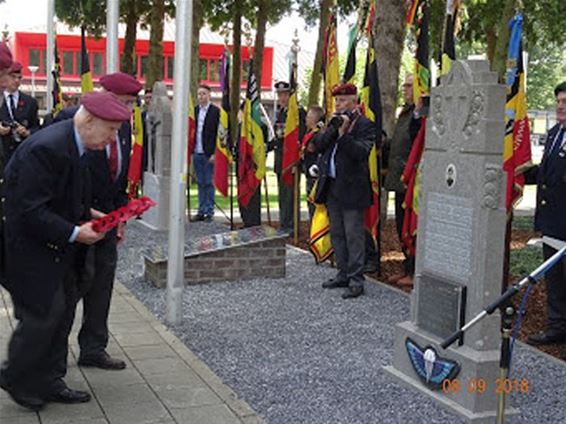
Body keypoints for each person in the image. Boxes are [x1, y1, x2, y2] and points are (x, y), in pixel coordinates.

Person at [0, 92, 130, 411]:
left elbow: (65, 193)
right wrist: (74, 232)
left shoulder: (78, 143)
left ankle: (50, 380)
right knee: (44, 314)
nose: (114, 137)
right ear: (87, 121)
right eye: (110, 130)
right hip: (27, 246)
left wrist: (91, 214)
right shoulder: (47, 148)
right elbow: (29, 208)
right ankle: (15, 376)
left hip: (55, 246)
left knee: (62, 310)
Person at [76, 72, 142, 370]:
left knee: (102, 284)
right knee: (71, 288)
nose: (129, 110)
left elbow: (119, 175)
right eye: (125, 102)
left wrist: (122, 217)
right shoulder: (76, 121)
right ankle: (50, 356)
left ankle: (93, 347)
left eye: (132, 103)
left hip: (109, 220)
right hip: (77, 219)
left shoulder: (125, 127)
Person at [315, 83, 374, 299]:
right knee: (337, 234)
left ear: (353, 101)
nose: (337, 104)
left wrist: (343, 135)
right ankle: (342, 273)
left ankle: (357, 279)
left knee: (353, 236)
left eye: (341, 101)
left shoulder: (365, 125)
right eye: (336, 101)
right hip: (332, 187)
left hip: (352, 190)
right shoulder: (333, 122)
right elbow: (318, 144)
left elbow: (361, 152)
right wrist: (333, 130)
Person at [525, 81, 566, 346]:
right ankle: (558, 326)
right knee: (555, 278)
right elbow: (545, 174)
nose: (560, 106)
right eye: (559, 101)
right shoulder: (554, 133)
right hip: (552, 220)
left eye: (565, 102)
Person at [383, 75, 419, 287]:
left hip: (412, 179)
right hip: (399, 178)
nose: (405, 89)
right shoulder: (405, 112)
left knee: (410, 226)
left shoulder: (419, 114)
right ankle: (407, 266)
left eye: (409, 86)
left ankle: (414, 270)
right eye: (404, 85)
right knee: (400, 225)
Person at [271, 81, 306, 235]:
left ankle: (291, 225)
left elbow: (300, 136)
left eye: (285, 94)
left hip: (291, 160)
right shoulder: (281, 112)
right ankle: (284, 223)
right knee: (282, 194)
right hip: (280, 159)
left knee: (290, 194)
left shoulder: (298, 112)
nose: (282, 98)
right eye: (279, 95)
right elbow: (278, 137)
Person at [0, 61, 40, 164]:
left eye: (19, 77)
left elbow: (37, 128)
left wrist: (27, 132)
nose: (17, 81)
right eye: (13, 77)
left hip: (21, 156)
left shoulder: (30, 102)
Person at [191, 84, 220, 222]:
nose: (201, 96)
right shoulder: (195, 111)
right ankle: (201, 210)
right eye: (199, 94)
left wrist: (215, 152)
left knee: (208, 182)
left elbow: (218, 134)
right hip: (197, 151)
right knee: (200, 182)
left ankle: (209, 210)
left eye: (203, 94)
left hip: (209, 152)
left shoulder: (215, 112)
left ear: (209, 95)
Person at [302, 105, 325, 220]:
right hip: (308, 174)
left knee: (315, 207)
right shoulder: (309, 133)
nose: (306, 119)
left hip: (316, 176)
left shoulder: (318, 135)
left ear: (314, 119)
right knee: (310, 206)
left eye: (308, 117)